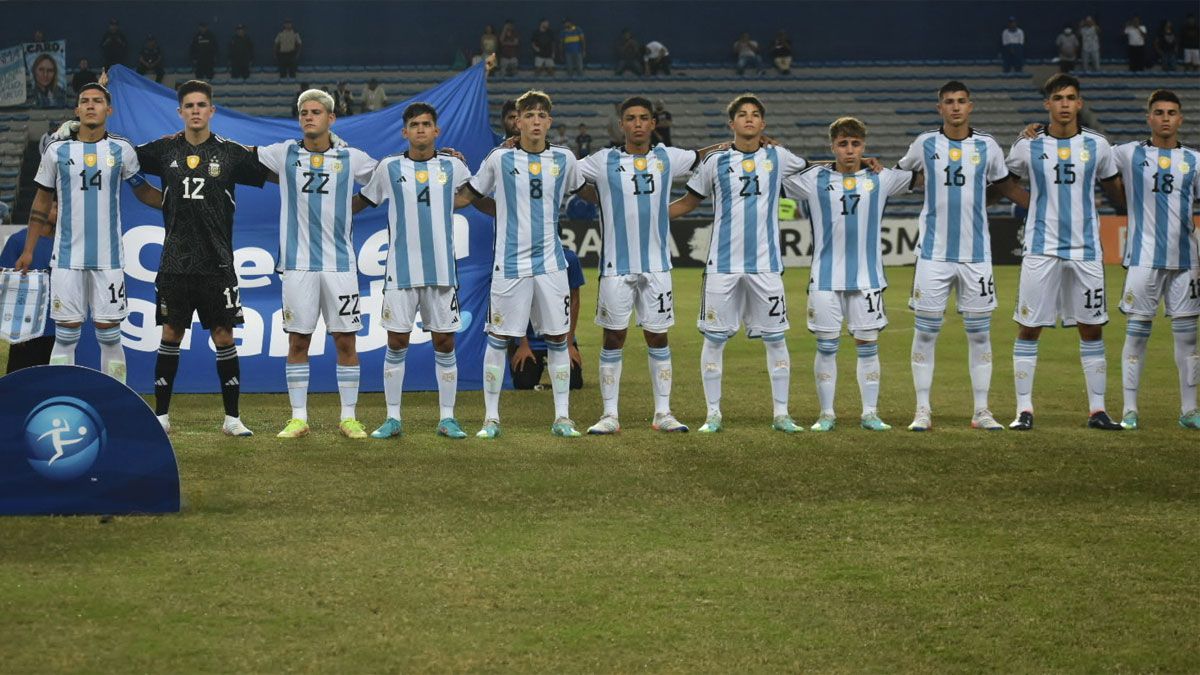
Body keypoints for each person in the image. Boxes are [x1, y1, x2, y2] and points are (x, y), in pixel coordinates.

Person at [577, 96, 726, 434]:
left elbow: (703, 155)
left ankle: (663, 413)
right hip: (615, 267)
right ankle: (609, 415)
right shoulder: (603, 160)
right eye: (631, 118)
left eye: (644, 118)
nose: (638, 124)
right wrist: (599, 198)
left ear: (653, 124)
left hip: (657, 267)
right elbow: (565, 171)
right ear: (621, 125)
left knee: (658, 336)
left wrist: (735, 145)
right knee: (613, 337)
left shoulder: (667, 157)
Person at [130, 80, 269, 436]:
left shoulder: (231, 153)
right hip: (175, 262)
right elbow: (120, 155)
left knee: (224, 336)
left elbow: (275, 167)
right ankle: (161, 416)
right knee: (171, 333)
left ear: (211, 110)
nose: (195, 110)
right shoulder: (164, 149)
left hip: (217, 264)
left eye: (201, 105)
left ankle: (232, 419)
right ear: (180, 111)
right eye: (189, 105)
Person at [668, 94, 808, 433]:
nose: (749, 118)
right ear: (731, 123)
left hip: (765, 266)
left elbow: (814, 170)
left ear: (763, 123)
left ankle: (781, 414)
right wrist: (648, 216)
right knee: (715, 339)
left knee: (776, 339)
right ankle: (713, 414)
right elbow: (688, 202)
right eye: (742, 114)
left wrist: (862, 165)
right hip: (723, 266)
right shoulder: (715, 161)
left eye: (755, 114)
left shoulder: (778, 157)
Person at [896, 81, 1031, 431]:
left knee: (980, 334)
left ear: (970, 106)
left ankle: (981, 411)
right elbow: (901, 175)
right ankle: (922, 410)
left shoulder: (987, 146)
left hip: (976, 256)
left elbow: (1005, 186)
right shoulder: (925, 143)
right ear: (939, 108)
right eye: (948, 102)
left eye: (961, 101)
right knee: (925, 333)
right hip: (933, 255)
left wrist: (1041, 206)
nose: (955, 107)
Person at [14, 83, 163, 382]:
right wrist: (28, 250)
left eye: (97, 101)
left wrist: (177, 203)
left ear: (109, 110)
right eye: (85, 101)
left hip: (108, 261)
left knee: (110, 335)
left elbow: (143, 191)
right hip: (66, 260)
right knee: (66, 335)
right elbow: (41, 202)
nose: (91, 105)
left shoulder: (121, 149)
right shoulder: (57, 150)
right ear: (77, 110)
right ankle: (64, 395)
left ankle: (116, 399)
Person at [1004, 73, 1126, 431]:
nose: (1064, 104)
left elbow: (1114, 188)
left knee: (1091, 328)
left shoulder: (1098, 145)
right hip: (1041, 248)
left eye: (1070, 98)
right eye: (1058, 98)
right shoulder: (1027, 145)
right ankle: (1023, 411)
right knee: (1029, 327)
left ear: (1079, 103)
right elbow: (1005, 182)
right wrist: (1032, 203)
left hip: (1085, 249)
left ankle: (1098, 411)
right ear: (1047, 104)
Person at [256, 89, 377, 438]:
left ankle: (348, 418)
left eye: (316, 112)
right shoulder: (284, 153)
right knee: (298, 341)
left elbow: (388, 176)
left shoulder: (351, 158)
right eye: (304, 113)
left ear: (331, 118)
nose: (309, 117)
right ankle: (298, 418)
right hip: (297, 265)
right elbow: (240, 156)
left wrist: (350, 208)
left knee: (345, 341)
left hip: (341, 266)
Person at [352, 102, 477, 439]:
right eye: (414, 125)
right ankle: (393, 418)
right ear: (405, 132)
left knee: (445, 342)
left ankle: (448, 418)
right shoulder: (390, 167)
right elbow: (364, 200)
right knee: (396, 341)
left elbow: (471, 195)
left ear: (436, 131)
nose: (420, 129)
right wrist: (328, 212)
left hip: (441, 270)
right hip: (400, 271)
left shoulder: (453, 167)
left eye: (426, 124)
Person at [465, 90, 585, 438]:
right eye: (528, 115)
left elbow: (584, 190)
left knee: (559, 338)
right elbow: (471, 195)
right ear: (517, 121)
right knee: (498, 338)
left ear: (549, 122)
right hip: (510, 265)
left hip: (551, 264)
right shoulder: (499, 159)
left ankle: (562, 418)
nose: (535, 121)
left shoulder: (565, 159)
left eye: (541, 116)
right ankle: (491, 419)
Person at [783, 118, 913, 432]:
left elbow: (921, 174)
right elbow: (776, 174)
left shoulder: (881, 178)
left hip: (867, 280)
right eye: (843, 144)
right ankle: (826, 414)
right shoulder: (814, 179)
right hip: (825, 279)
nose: (850, 150)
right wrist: (821, 164)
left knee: (868, 347)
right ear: (833, 146)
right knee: (826, 348)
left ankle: (870, 413)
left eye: (855, 144)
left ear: (864, 146)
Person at [1112, 90, 1200, 430]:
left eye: (1171, 113)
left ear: (1180, 119)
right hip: (1143, 260)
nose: (1165, 118)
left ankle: (1189, 411)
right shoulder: (1128, 153)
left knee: (1188, 339)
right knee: (1136, 335)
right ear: (1149, 117)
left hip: (1186, 262)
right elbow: (1087, 152)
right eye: (1159, 112)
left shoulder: (1194, 160)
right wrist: (1037, 133)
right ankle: (1130, 410)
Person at [509, 248, 585, 391]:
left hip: (561, 339)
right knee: (523, 383)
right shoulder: (522, 259)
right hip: (530, 341)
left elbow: (574, 300)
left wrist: (569, 344)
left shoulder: (569, 258)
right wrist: (522, 344)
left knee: (573, 383)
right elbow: (516, 302)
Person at [1, 216, 55, 372]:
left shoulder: (65, 243)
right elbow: (7, 286)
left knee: (57, 381)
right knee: (23, 381)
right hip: (27, 331)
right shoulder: (18, 240)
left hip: (60, 330)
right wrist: (15, 328)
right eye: (55, 207)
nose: (60, 210)